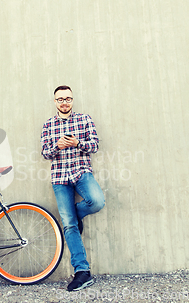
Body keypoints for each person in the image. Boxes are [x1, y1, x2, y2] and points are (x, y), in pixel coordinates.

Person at [40, 85, 105, 291]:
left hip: (81, 172)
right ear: (55, 102)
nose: (64, 102)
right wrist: (57, 146)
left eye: (68, 98)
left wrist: (77, 143)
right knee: (69, 225)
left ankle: (75, 215)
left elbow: (94, 145)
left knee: (96, 202)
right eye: (60, 99)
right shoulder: (48, 125)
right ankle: (82, 271)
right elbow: (45, 153)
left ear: (72, 100)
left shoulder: (84, 119)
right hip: (59, 177)